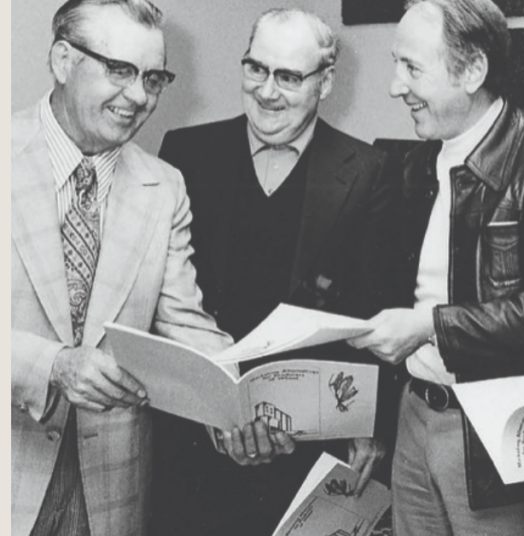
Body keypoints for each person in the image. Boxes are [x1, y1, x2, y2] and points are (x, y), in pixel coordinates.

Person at [11, 1, 285, 535]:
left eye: (152, 78)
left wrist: (240, 403)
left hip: (111, 493)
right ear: (63, 60)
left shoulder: (164, 186)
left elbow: (184, 324)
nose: (139, 96)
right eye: (119, 70)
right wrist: (52, 365)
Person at [346, 0, 524, 533]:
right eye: (396, 64)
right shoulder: (415, 164)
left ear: (473, 71)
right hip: (415, 417)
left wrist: (430, 326)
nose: (395, 86)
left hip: (499, 438)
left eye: (412, 68)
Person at [150, 8, 400, 536]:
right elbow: (162, 305)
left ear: (325, 82)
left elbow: (377, 311)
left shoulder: (370, 172)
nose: (266, 92)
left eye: (288, 76)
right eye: (256, 69)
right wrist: (217, 411)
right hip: (194, 443)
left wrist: (371, 424)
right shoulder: (184, 154)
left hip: (309, 449)